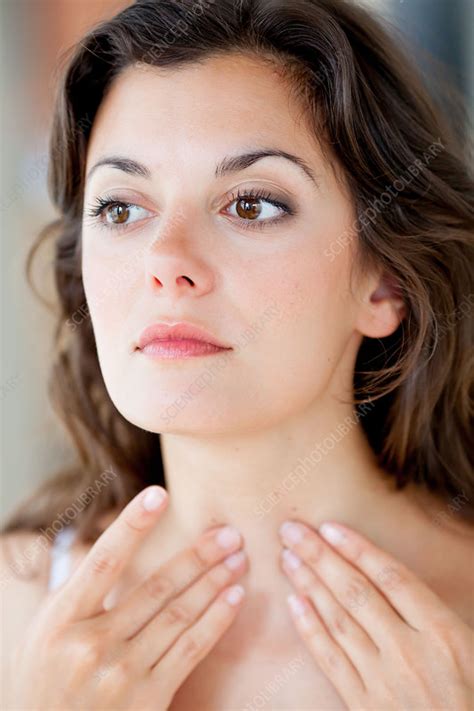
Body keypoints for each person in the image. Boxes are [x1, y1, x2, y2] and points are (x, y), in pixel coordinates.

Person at [1, 0, 473, 708]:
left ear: (386, 283)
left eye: (250, 204)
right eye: (122, 208)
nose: (165, 262)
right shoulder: (19, 601)